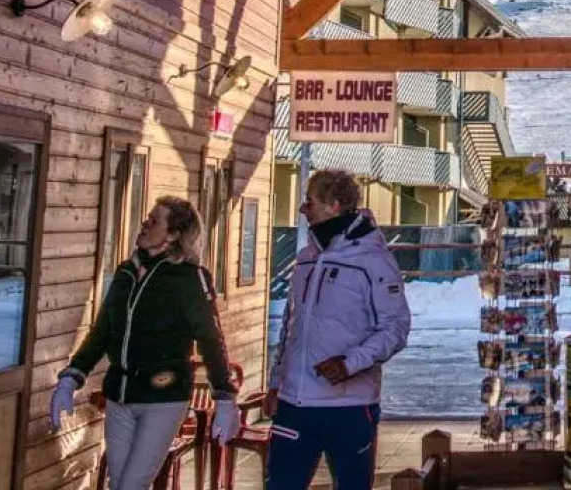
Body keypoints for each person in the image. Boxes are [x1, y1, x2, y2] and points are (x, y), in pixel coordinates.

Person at [50, 197, 239, 490]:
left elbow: (210, 339)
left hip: (163, 398)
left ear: (174, 234)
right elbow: (102, 332)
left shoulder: (189, 279)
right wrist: (72, 377)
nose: (145, 224)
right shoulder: (126, 273)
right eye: (147, 218)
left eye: (154, 221)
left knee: (131, 486)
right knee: (119, 485)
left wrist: (225, 397)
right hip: (120, 396)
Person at [266, 169, 411, 490]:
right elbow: (291, 325)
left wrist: (350, 363)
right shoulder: (306, 258)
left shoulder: (373, 261)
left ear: (333, 205)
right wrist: (277, 381)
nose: (304, 209)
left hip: (349, 408)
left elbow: (396, 328)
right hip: (294, 405)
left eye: (310, 201)